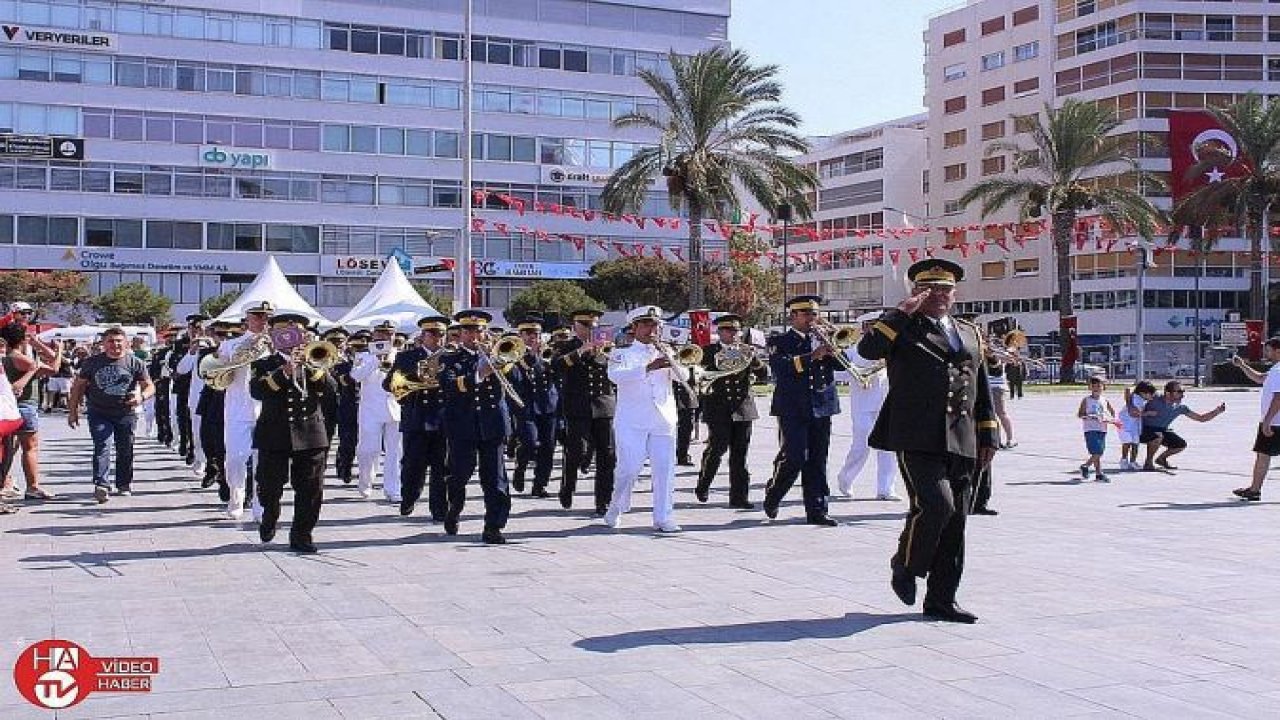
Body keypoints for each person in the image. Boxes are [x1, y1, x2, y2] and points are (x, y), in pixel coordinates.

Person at [857, 258, 999, 624]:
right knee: (936, 506)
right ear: (916, 292)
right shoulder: (902, 326)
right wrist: (901, 312)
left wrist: (988, 432)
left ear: (955, 293)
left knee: (956, 522)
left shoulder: (969, 331)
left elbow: (980, 384)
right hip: (917, 434)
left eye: (944, 289)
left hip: (963, 436)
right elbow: (868, 351)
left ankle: (942, 600)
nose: (938, 295)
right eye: (929, 289)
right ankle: (905, 564)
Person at [249, 314, 337, 553]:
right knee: (268, 486)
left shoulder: (315, 360)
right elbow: (257, 391)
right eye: (284, 334)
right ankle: (270, 514)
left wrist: (313, 366)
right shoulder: (263, 363)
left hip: (310, 433)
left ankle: (302, 535)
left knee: (310, 489)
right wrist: (284, 372)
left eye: (296, 334)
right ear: (274, 337)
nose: (290, 339)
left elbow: (331, 390)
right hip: (274, 432)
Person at [603, 306, 687, 532]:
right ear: (635, 328)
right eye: (647, 325)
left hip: (663, 419)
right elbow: (615, 376)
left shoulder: (666, 351)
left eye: (656, 325)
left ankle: (663, 516)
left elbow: (684, 376)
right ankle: (615, 507)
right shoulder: (621, 353)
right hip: (632, 421)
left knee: (664, 470)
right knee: (629, 469)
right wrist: (649, 367)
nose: (652, 330)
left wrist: (672, 360)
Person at [762, 295, 841, 526]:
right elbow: (782, 368)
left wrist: (834, 346)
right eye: (806, 314)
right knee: (795, 457)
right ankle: (775, 492)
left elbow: (841, 365)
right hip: (792, 408)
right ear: (793, 317)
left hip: (822, 405)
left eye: (815, 314)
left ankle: (817, 510)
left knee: (818, 460)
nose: (811, 318)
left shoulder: (823, 339)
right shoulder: (780, 341)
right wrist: (813, 355)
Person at [438, 310, 512, 544]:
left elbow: (517, 382)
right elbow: (449, 385)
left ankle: (494, 526)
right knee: (459, 476)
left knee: (495, 479)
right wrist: (480, 373)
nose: (473, 336)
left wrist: (502, 361)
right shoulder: (450, 358)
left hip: (493, 425)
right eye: (468, 331)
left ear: (485, 332)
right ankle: (454, 509)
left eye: (478, 331)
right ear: (460, 334)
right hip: (463, 426)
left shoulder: (499, 355)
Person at [67, 327, 155, 503]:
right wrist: (73, 411)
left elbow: (149, 385)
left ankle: (124, 483)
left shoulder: (135, 362)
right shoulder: (92, 362)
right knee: (102, 445)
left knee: (125, 448)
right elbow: (78, 386)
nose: (115, 345)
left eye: (118, 341)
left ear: (126, 343)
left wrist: (141, 397)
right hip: (99, 411)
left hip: (125, 412)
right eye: (111, 341)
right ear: (104, 344)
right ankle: (101, 484)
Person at [695, 314, 767, 509]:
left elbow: (764, 376)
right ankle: (704, 484)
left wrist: (755, 360)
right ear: (719, 332)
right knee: (717, 449)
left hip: (742, 408)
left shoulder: (746, 351)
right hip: (718, 407)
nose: (733, 334)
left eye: (736, 330)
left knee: (740, 454)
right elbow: (697, 375)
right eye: (728, 330)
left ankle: (739, 497)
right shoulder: (708, 351)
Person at [551, 309, 616, 515]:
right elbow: (556, 366)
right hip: (578, 406)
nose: (590, 328)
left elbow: (616, 370)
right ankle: (568, 487)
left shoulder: (608, 346)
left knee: (607, 454)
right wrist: (580, 351)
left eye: (594, 325)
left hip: (603, 405)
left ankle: (603, 500)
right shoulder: (565, 346)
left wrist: (604, 353)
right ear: (575, 326)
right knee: (576, 451)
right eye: (586, 325)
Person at [387, 315, 450, 520]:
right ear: (423, 336)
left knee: (441, 468)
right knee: (413, 466)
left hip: (442, 419)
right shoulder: (407, 357)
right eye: (432, 334)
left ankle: (439, 509)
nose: (437, 338)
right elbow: (389, 385)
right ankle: (409, 497)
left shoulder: (450, 356)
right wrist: (416, 379)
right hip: (416, 418)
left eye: (441, 334)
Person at [835, 310, 899, 501]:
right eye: (873, 326)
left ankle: (886, 488)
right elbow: (837, 374)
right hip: (862, 405)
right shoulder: (852, 350)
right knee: (861, 446)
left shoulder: (891, 348)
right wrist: (856, 374)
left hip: (886, 402)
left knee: (888, 447)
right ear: (865, 327)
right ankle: (845, 479)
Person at [219, 301, 272, 519]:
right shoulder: (231, 345)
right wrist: (250, 347)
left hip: (267, 409)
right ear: (247, 319)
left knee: (264, 462)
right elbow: (220, 373)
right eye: (258, 316)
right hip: (238, 408)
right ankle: (236, 497)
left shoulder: (276, 345)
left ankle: (260, 505)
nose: (262, 320)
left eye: (266, 316)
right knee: (235, 458)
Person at [1, 319, 61, 501]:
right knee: (30, 448)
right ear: (23, 339)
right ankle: (32, 486)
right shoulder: (21, 358)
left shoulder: (5, 358)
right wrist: (59, 350)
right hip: (25, 405)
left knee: (8, 449)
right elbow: (54, 368)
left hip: (7, 408)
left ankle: (5, 483)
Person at [351, 321, 402, 502]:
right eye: (381, 333)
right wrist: (376, 359)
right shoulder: (363, 355)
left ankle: (393, 489)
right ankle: (365, 481)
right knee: (368, 450)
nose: (385, 337)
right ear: (374, 335)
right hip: (370, 410)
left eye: (389, 333)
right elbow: (356, 376)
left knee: (395, 452)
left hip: (395, 408)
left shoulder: (401, 355)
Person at [509, 317, 558, 498]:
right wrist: (532, 356)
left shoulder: (548, 352)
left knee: (548, 446)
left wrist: (547, 358)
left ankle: (540, 484)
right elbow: (515, 377)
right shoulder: (512, 354)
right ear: (520, 335)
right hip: (526, 405)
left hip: (548, 404)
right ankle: (520, 467)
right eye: (528, 333)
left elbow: (557, 374)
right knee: (530, 442)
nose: (533, 337)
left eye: (536, 333)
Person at [1140, 380, 1225, 471]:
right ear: (1168, 393)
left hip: (1161, 430)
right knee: (1158, 436)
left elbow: (1201, 418)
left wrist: (1216, 412)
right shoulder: (1154, 399)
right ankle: (1148, 463)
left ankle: (1161, 459)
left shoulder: (1180, 407)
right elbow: (1136, 394)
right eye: (1179, 392)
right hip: (1142, 430)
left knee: (1180, 444)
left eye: (1183, 392)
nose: (1182, 395)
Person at [1231, 345, 1280, 501]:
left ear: (1278, 351)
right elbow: (1259, 378)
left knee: (1263, 456)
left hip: (1275, 423)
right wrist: (1242, 365)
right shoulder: (1274, 370)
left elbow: (1278, 398)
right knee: (1263, 455)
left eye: (1269, 350)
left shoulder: (1278, 371)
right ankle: (1254, 490)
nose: (1266, 353)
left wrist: (1267, 421)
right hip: (1274, 421)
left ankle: (1254, 490)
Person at [331, 329, 363, 484]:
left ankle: (356, 469)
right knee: (347, 439)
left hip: (361, 404)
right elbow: (342, 380)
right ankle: (345, 466)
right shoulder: (339, 362)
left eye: (341, 341)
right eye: (334, 341)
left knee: (359, 440)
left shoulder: (360, 360)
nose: (338, 344)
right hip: (344, 404)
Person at [0, 337, 27, 514]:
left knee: (6, 457)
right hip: (3, 419)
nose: (2, 353)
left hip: (6, 418)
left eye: (3, 349)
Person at [1077, 376, 1116, 483]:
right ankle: (1086, 466)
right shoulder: (1086, 400)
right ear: (1089, 387)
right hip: (1090, 428)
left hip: (1102, 428)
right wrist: (1090, 416)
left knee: (1098, 451)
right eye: (1093, 386)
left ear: (1103, 387)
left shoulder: (1104, 400)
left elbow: (1112, 412)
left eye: (1099, 386)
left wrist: (1110, 419)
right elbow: (1080, 414)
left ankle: (1098, 474)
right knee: (1098, 451)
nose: (1096, 388)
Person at [1118, 381, 1155, 471]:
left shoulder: (1139, 399)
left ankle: (1133, 461)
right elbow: (1133, 414)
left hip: (1135, 425)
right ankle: (1124, 460)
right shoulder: (1136, 399)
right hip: (1125, 425)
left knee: (1135, 443)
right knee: (1127, 443)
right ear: (1143, 393)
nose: (1152, 396)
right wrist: (1148, 413)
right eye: (1150, 394)